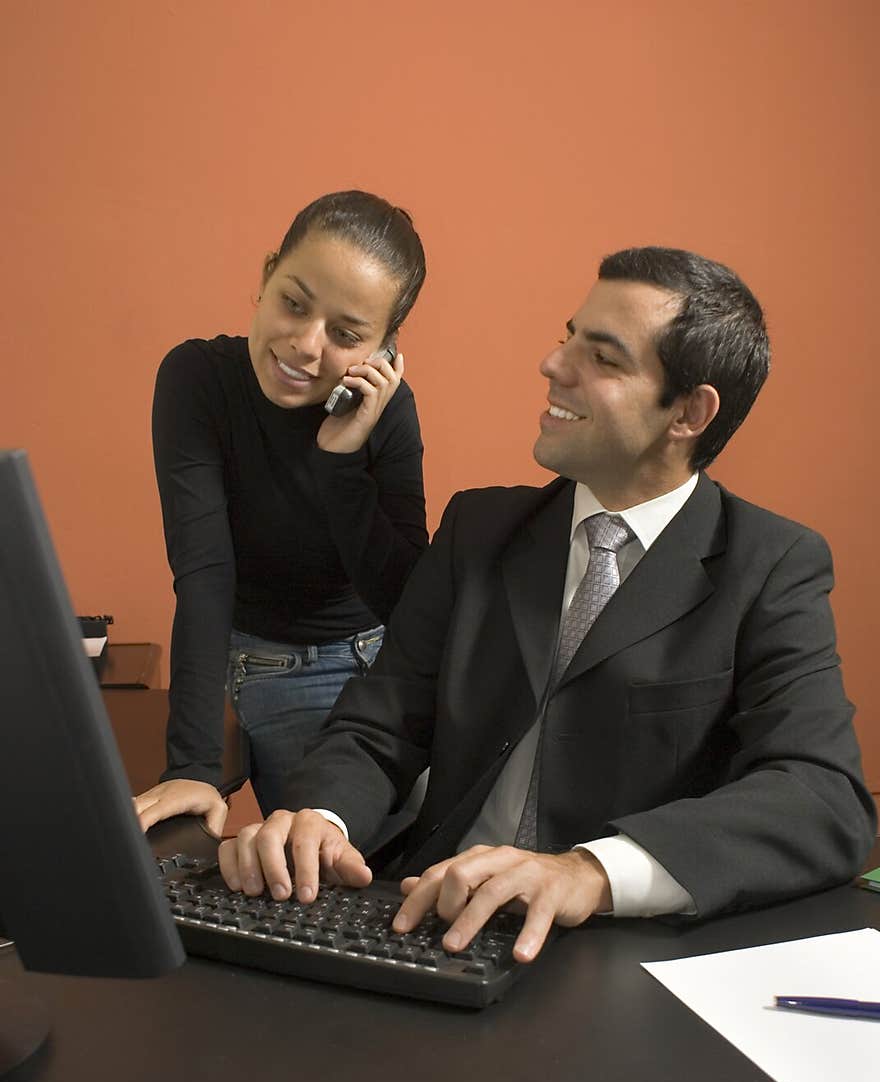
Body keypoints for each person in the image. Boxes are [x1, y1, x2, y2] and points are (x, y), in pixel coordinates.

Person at [190, 245, 876, 960]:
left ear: (690, 413)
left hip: (613, 952)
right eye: (567, 336)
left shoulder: (772, 565)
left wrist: (589, 871)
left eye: (603, 357)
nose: (553, 366)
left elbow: (822, 797)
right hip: (423, 917)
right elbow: (377, 725)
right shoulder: (478, 530)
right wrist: (319, 817)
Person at [134, 190, 429, 835]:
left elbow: (407, 598)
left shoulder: (388, 410)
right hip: (281, 671)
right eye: (294, 303)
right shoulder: (198, 381)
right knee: (339, 881)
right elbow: (205, 572)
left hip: (395, 669)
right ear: (266, 277)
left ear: (384, 351)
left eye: (347, 335)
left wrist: (341, 460)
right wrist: (192, 765)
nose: (304, 345)